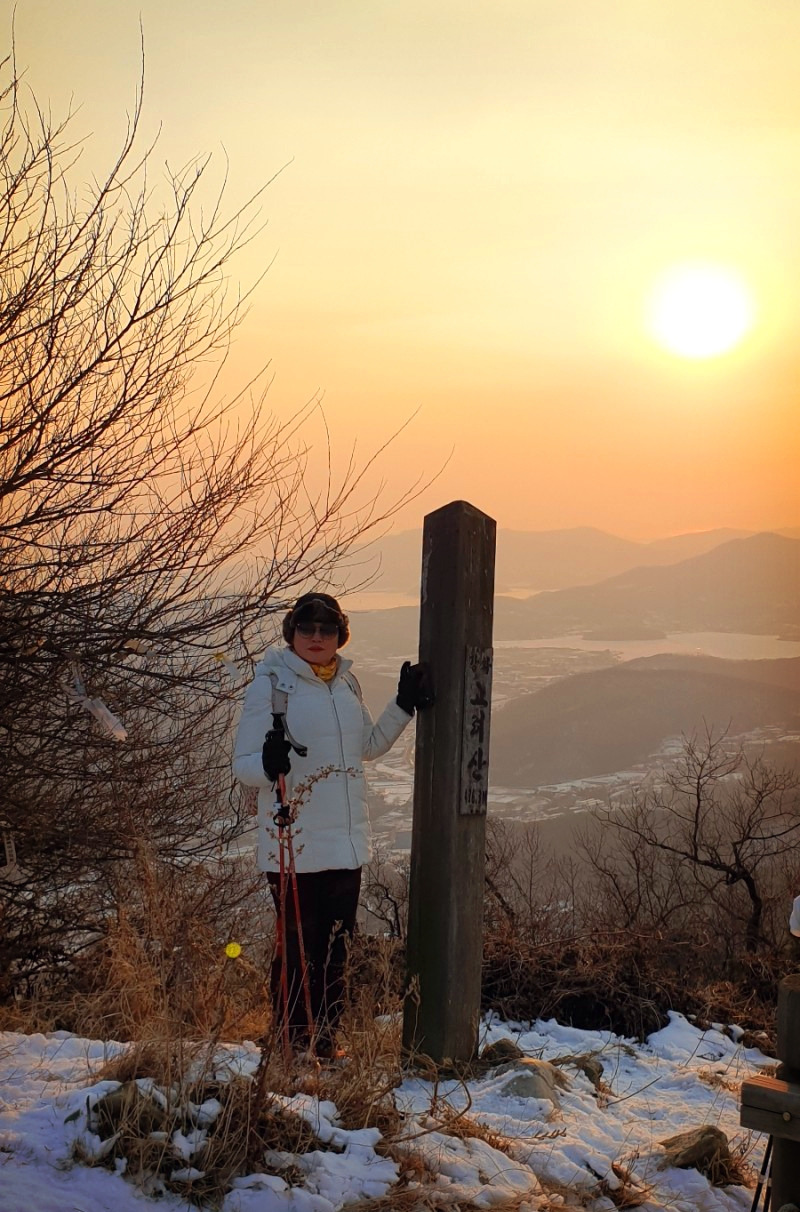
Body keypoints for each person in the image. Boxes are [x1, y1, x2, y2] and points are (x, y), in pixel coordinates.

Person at [232, 591, 432, 1057]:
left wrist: (403, 704)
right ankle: (290, 1045)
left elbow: (369, 746)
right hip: (293, 842)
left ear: (341, 635)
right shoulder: (272, 685)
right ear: (292, 633)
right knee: (299, 951)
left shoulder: (346, 684)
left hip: (345, 844)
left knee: (337, 950)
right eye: (307, 628)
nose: (317, 637)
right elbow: (243, 765)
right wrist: (267, 764)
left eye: (327, 629)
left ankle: (324, 1043)